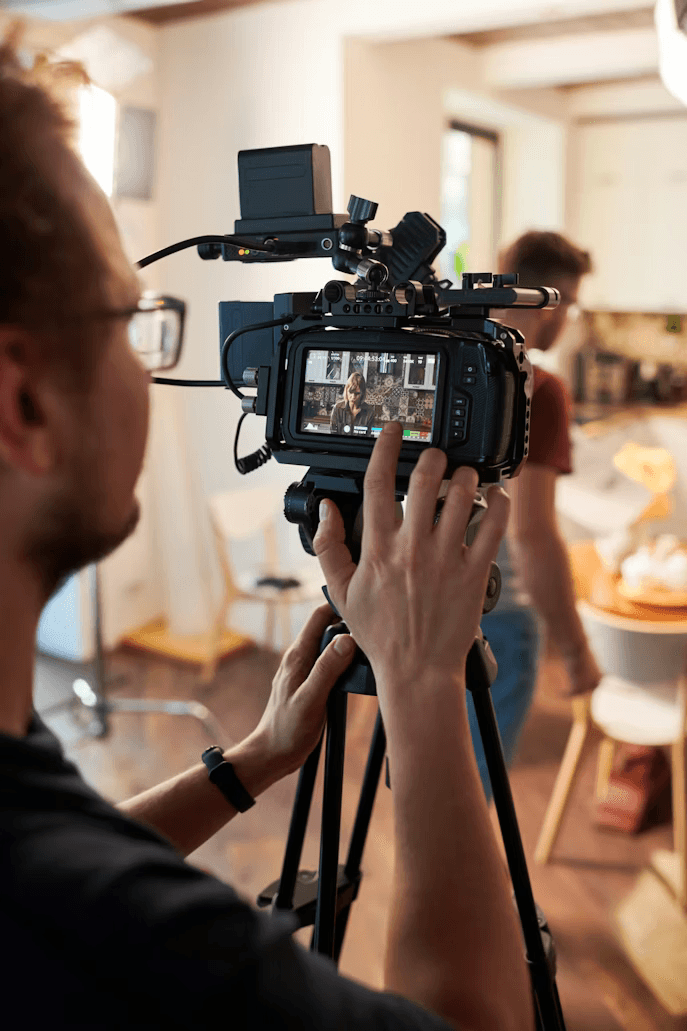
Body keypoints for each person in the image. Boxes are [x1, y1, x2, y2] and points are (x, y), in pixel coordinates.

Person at [0, 36, 533, 1031]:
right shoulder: (142, 951)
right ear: (23, 401)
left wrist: (247, 761)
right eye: (130, 317)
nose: (147, 357)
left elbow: (67, 838)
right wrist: (418, 686)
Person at [466, 231, 603, 798]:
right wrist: (575, 651)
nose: (566, 316)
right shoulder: (538, 389)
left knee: (428, 768)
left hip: (424, 600)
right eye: (568, 301)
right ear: (547, 295)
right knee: (480, 786)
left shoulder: (455, 357)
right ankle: (472, 887)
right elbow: (532, 535)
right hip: (498, 615)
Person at [330, 371, 376, 435]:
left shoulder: (369, 412)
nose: (353, 396)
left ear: (362, 394)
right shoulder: (337, 408)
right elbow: (333, 434)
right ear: (346, 391)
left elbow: (369, 437)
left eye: (357, 393)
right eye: (351, 392)